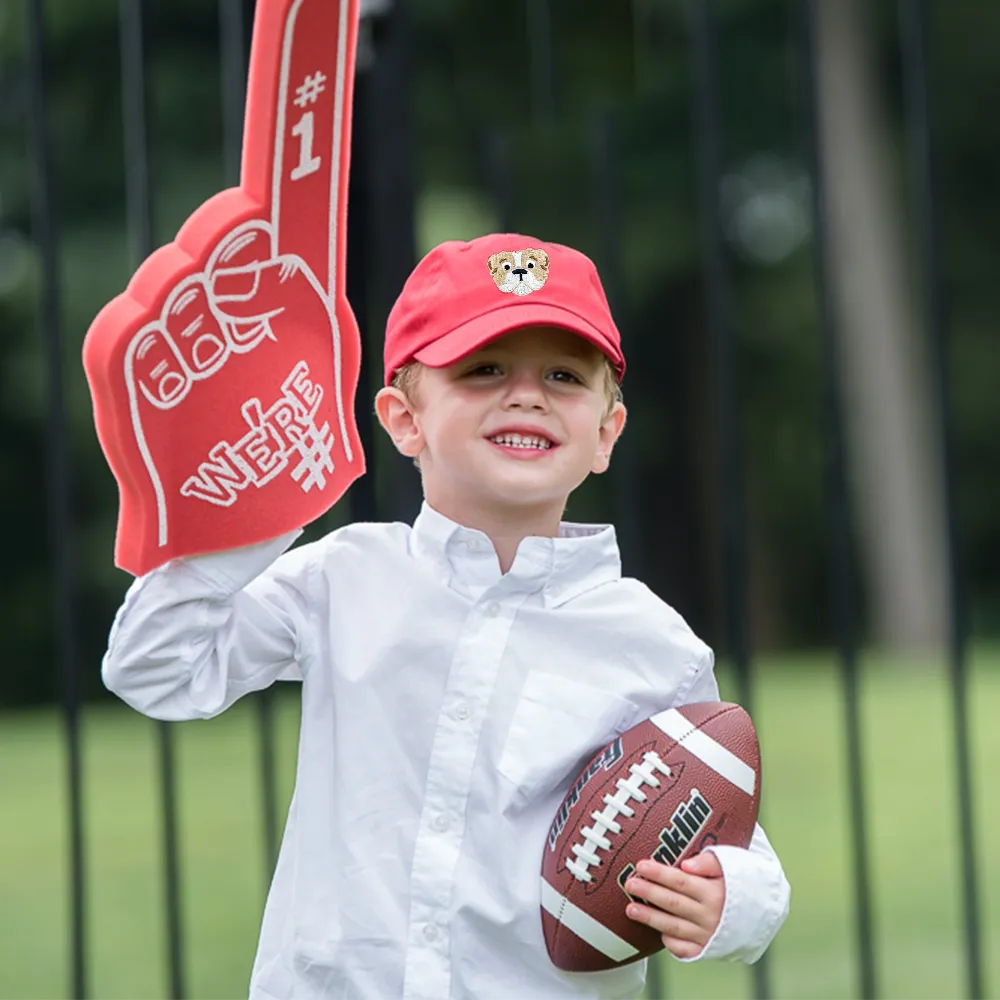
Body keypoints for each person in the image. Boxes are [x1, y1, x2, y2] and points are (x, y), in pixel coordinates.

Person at [102, 233, 790, 1000]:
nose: (526, 394)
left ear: (605, 434)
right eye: (483, 369)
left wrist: (730, 899)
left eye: (563, 375)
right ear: (403, 419)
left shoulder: (651, 641)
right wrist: (258, 514)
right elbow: (153, 668)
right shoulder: (345, 576)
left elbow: (733, 835)